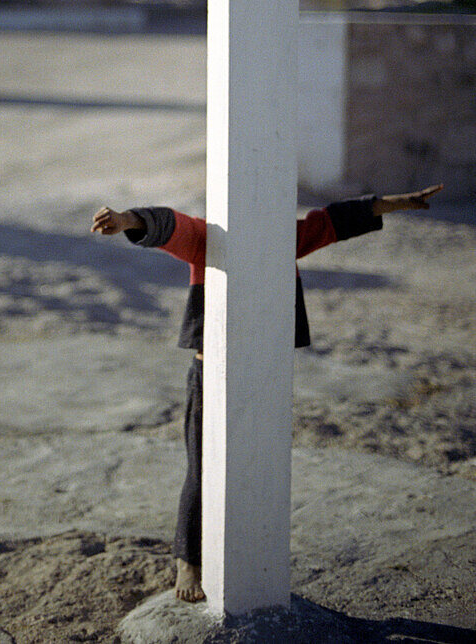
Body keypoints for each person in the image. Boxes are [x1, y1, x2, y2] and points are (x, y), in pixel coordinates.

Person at [91, 183, 443, 603]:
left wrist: (401, 202)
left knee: (257, 466)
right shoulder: (207, 239)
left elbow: (334, 220)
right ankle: (189, 561)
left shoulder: (283, 239)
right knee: (202, 469)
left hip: (263, 374)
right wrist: (128, 219)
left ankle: (246, 555)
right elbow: (169, 224)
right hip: (212, 374)